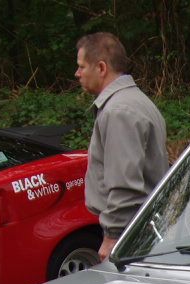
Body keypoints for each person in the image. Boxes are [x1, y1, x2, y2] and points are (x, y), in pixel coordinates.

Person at [75, 32, 168, 261]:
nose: (77, 74)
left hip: (131, 235)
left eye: (81, 67)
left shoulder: (119, 112)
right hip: (142, 229)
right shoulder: (134, 101)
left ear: (101, 68)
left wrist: (113, 235)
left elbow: (125, 185)